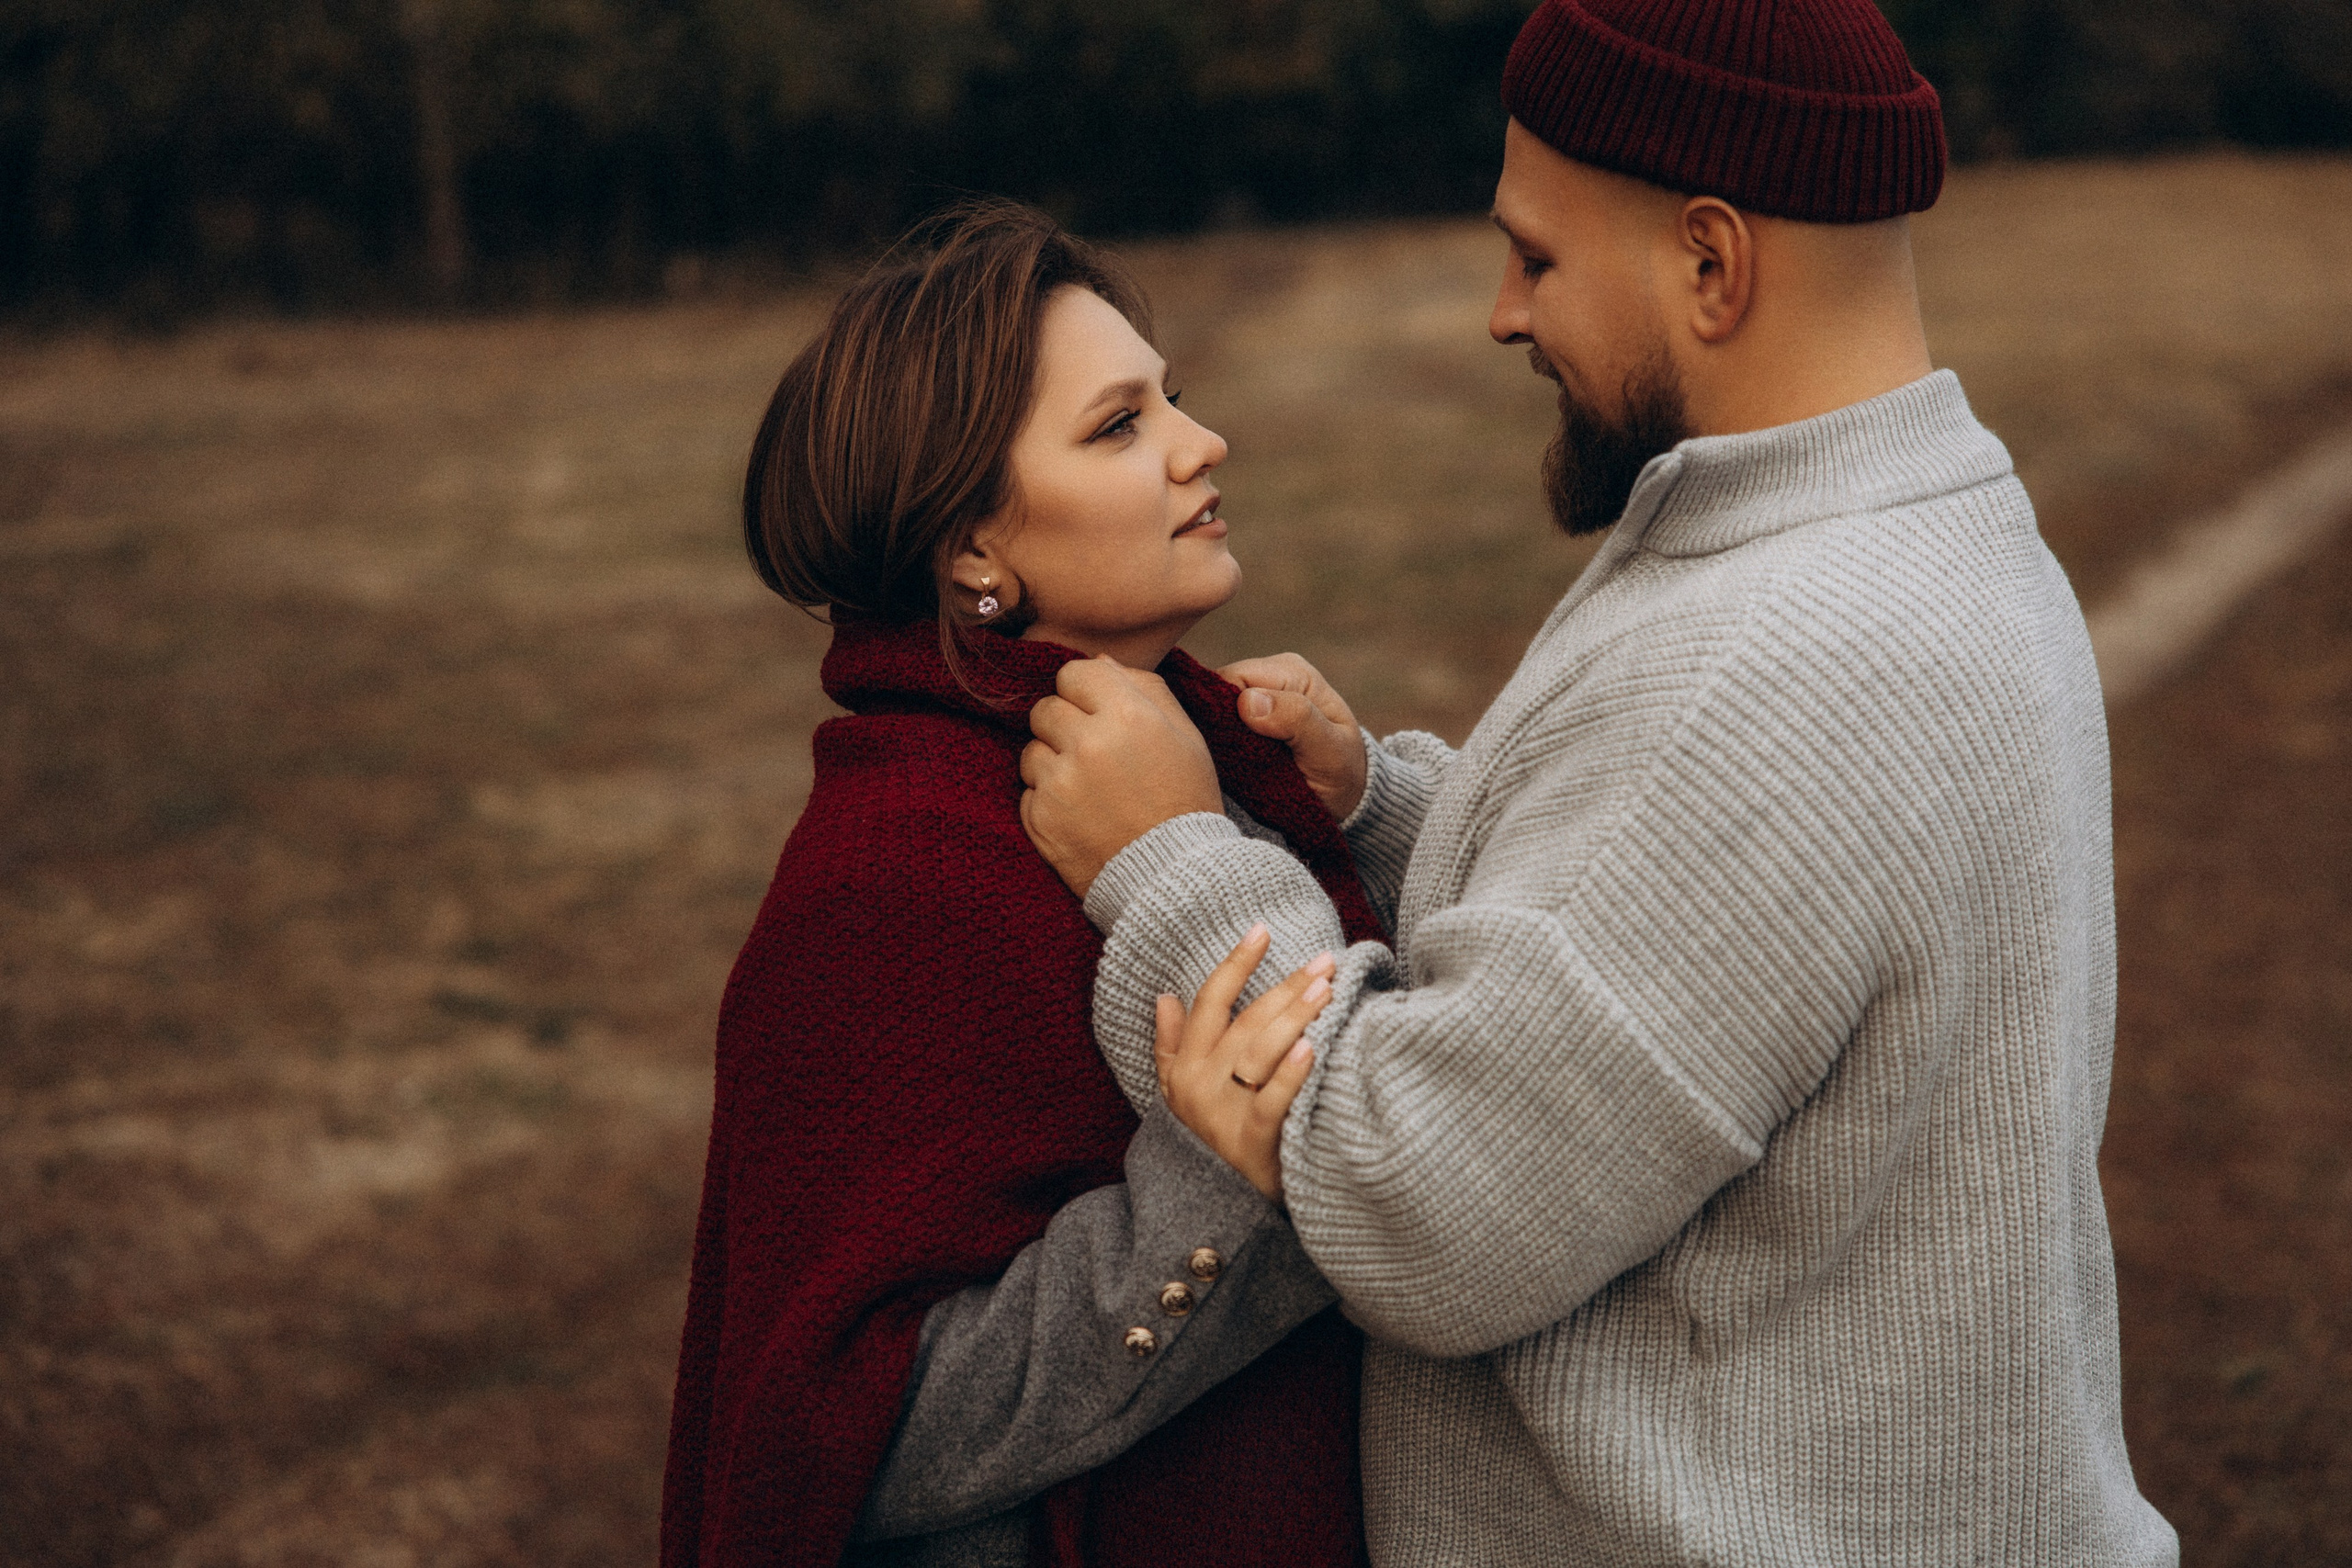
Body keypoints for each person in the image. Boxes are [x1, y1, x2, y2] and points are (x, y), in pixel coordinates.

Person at [1015, 0, 2181, 1562]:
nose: (1503, 313)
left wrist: (1167, 862)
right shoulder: (1927, 533)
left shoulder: (1787, 661)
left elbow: (1428, 1206)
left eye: (1540, 259)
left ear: (1711, 263)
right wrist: (1382, 806)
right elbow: (1685, 954)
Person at [658, 204, 1381, 1568]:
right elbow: (852, 1440)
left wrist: (1362, 805)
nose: (1200, 441)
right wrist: (1217, 1183)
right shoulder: (898, 866)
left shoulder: (1201, 759)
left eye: (1176, 398)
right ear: (971, 552)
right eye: (1119, 425)